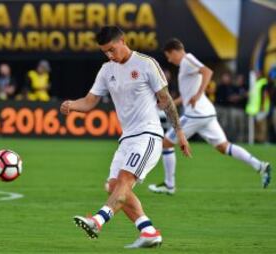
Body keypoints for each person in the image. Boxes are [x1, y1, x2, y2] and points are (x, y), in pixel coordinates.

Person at [60, 26, 191, 248]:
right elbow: (90, 101)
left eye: (112, 49)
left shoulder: (146, 64)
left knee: (124, 181)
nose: (110, 55)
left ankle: (97, 220)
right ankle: (148, 231)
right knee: (114, 186)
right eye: (105, 52)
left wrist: (179, 132)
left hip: (148, 134)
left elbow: (166, 99)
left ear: (123, 41)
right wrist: (71, 105)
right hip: (127, 138)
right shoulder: (106, 70)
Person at [148, 38, 271, 195]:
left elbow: (208, 72)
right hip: (207, 113)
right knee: (223, 147)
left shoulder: (187, 60)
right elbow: (187, 96)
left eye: (169, 56)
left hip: (196, 115)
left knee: (166, 143)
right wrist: (170, 103)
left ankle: (169, 185)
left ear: (175, 51)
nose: (169, 59)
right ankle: (260, 165)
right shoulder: (186, 64)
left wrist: (198, 94)